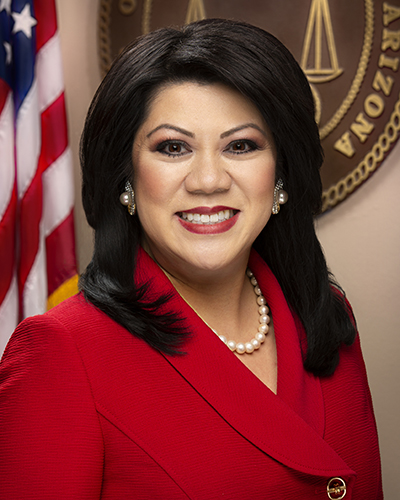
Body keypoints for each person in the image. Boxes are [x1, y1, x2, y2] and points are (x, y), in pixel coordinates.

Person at [0, 19, 382, 499]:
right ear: (126, 178)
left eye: (241, 146)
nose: (208, 180)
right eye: (173, 147)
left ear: (281, 172)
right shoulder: (61, 353)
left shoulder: (327, 318)